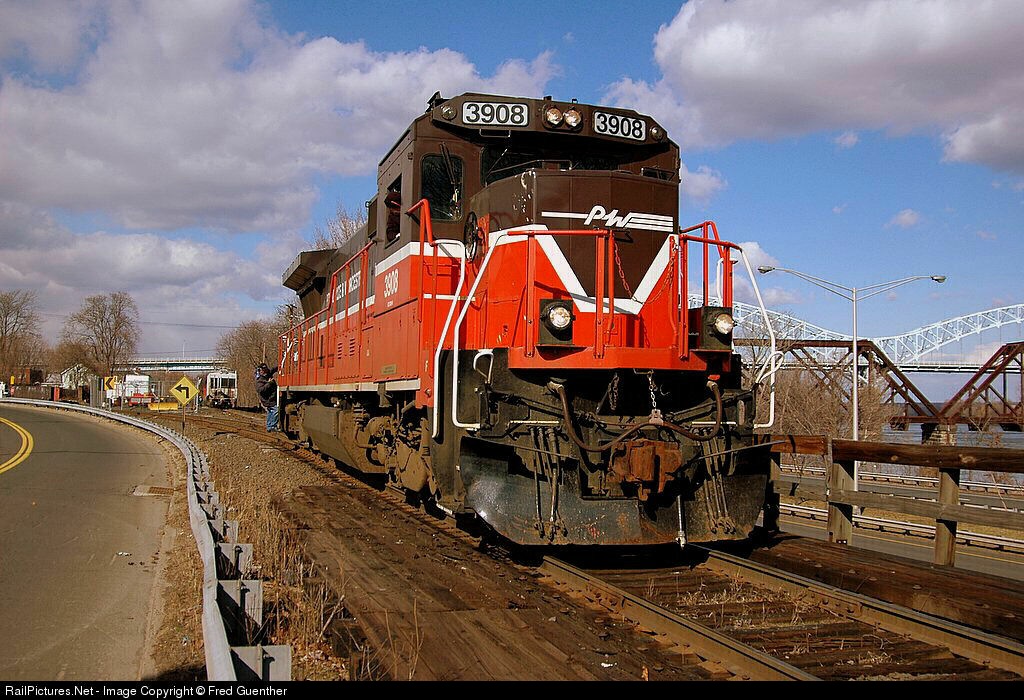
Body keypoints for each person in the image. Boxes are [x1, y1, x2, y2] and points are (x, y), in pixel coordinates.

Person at [254, 363, 279, 432]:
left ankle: (269, 426)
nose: (264, 371)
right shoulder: (259, 380)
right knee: (276, 410)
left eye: (265, 369)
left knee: (271, 411)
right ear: (260, 371)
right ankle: (272, 426)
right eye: (263, 370)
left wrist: (280, 365)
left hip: (272, 398)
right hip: (267, 399)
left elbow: (273, 369)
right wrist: (269, 383)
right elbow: (261, 390)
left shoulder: (268, 374)